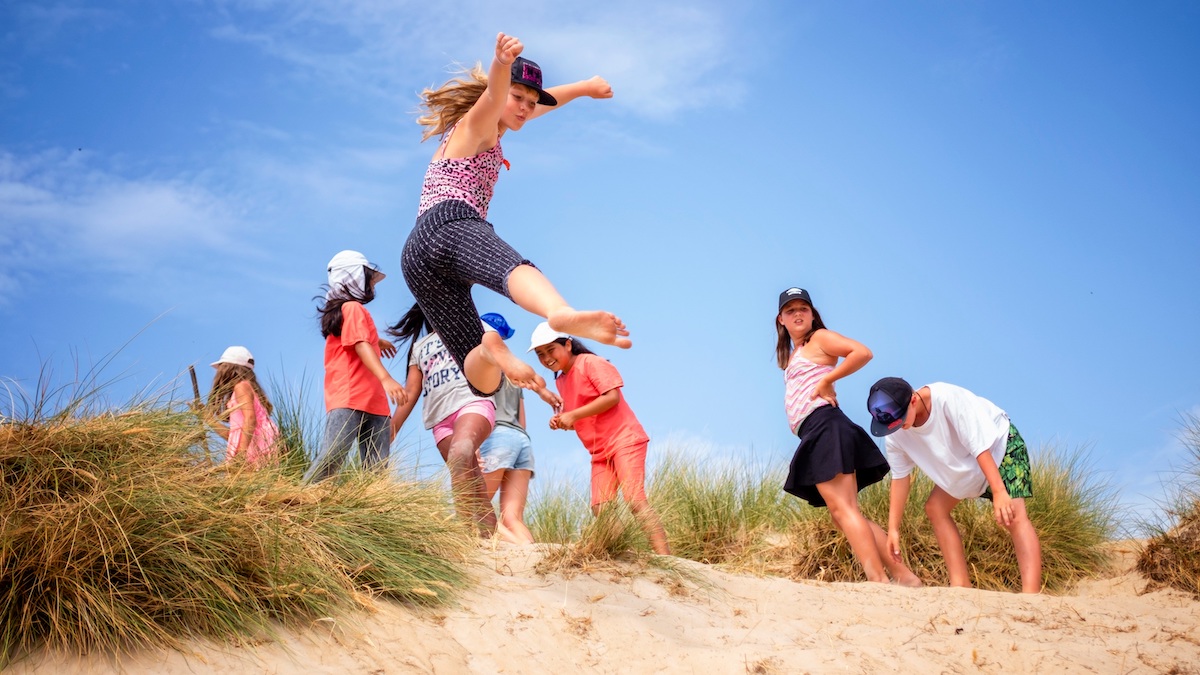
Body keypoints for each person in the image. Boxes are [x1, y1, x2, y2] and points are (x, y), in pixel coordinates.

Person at [402, 32, 630, 405]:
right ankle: (559, 312)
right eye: (517, 97)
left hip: (416, 256)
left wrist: (585, 87)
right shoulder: (479, 122)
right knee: (511, 266)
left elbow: (544, 103)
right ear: (500, 90)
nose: (525, 108)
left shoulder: (502, 120)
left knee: (482, 382)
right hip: (449, 222)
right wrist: (501, 64)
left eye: (530, 102)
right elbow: (494, 96)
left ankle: (491, 350)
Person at [775, 288, 921, 586]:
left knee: (845, 510)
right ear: (781, 320)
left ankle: (878, 580)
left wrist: (829, 379)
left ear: (813, 314)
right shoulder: (794, 354)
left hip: (825, 426)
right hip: (816, 429)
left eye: (804, 308)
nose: (798, 313)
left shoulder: (819, 338)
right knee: (842, 514)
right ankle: (904, 577)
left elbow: (862, 352)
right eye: (791, 310)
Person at [867, 377, 1043, 593]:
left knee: (1013, 516)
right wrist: (893, 529)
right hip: (965, 468)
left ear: (913, 400)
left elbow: (979, 446)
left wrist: (999, 491)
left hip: (999, 449)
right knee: (935, 508)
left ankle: (1031, 596)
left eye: (901, 418)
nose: (898, 427)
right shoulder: (896, 434)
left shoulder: (947, 399)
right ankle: (961, 587)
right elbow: (900, 478)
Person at [529, 322, 670, 555]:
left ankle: (666, 559)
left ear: (567, 344)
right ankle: (624, 557)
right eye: (540, 354)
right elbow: (587, 416)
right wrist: (565, 422)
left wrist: (572, 415)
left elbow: (612, 397)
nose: (546, 358)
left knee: (635, 500)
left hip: (624, 439)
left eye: (550, 350)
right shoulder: (560, 380)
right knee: (600, 509)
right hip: (599, 451)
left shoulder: (591, 363)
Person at [387, 303, 502, 534]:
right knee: (473, 481)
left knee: (460, 453)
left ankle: (462, 534)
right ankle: (490, 545)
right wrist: (391, 429)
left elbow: (495, 350)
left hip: (472, 403)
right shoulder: (419, 348)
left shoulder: (472, 325)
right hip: (440, 421)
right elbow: (411, 392)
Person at [305, 250, 407, 483]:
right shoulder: (352, 308)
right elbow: (360, 344)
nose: (372, 285)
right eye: (369, 278)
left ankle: (372, 514)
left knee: (377, 467)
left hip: (371, 400)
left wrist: (377, 341)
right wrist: (386, 378)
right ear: (353, 277)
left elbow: (360, 339)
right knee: (333, 456)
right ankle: (296, 501)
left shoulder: (350, 311)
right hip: (351, 396)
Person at [477, 313, 538, 544]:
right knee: (513, 517)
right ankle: (532, 555)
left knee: (476, 507)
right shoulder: (514, 372)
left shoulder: (480, 364)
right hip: (521, 440)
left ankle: (519, 550)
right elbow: (522, 420)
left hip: (496, 436)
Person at [204, 345, 280, 466]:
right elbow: (233, 437)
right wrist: (207, 418)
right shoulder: (243, 389)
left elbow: (250, 420)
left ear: (228, 368)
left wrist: (241, 454)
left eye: (221, 367)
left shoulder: (241, 387)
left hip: (254, 448)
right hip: (253, 445)